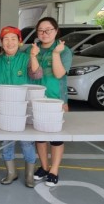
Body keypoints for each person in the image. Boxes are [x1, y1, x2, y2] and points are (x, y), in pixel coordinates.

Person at [27, 17, 72, 187]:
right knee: (39, 136)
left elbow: (59, 74)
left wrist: (55, 53)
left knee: (56, 137)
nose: (44, 33)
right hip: (37, 100)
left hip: (56, 100)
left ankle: (54, 170)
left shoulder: (64, 50)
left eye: (49, 30)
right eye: (41, 30)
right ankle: (44, 167)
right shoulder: (33, 50)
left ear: (56, 31)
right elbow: (34, 73)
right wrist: (33, 56)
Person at [0, 26, 43, 188]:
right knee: (6, 142)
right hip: (5, 108)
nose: (9, 43)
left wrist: (34, 57)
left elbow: (37, 74)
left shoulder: (26, 58)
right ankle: (11, 172)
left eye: (13, 39)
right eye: (6, 39)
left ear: (20, 42)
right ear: (1, 43)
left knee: (26, 143)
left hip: (24, 108)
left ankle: (29, 174)